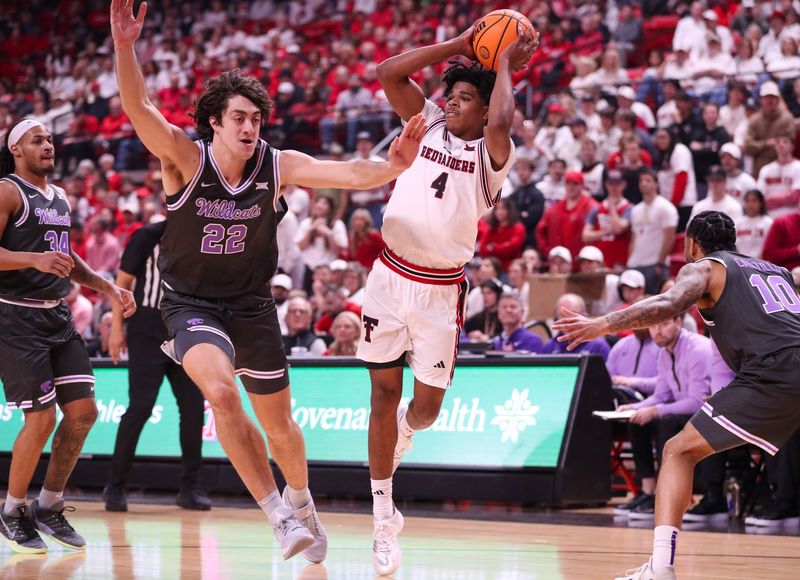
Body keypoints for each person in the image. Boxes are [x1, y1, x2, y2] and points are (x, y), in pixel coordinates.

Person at [111, 0, 425, 563]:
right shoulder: (184, 157)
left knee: (280, 428)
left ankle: (302, 503)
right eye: (238, 117)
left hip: (253, 307)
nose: (249, 126)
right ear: (215, 121)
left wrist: (394, 167)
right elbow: (139, 107)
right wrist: (125, 46)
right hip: (190, 305)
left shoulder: (276, 166)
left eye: (256, 118)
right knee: (221, 393)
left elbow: (349, 173)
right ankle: (278, 515)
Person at [356, 23, 536, 576]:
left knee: (426, 411)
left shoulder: (491, 157)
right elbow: (389, 71)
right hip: (388, 276)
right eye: (450, 96)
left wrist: (502, 61)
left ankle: (408, 435)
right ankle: (383, 518)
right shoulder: (428, 122)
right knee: (382, 395)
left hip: (438, 291)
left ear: (483, 112)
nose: (452, 104)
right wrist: (462, 47)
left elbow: (504, 119)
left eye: (464, 99)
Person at [552, 210, 800, 579]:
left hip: (773, 370)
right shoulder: (775, 270)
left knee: (677, 451)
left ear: (691, 243)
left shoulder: (705, 267)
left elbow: (668, 305)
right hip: (787, 361)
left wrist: (602, 324)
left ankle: (661, 568)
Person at [0, 118, 136, 553]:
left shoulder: (58, 197)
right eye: (36, 140)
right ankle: (12, 510)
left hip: (57, 316)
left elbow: (67, 259)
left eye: (50, 139)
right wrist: (32, 260)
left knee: (83, 413)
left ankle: (50, 504)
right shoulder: (7, 190)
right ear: (16, 149)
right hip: (15, 318)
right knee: (40, 419)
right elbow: (29, 257)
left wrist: (109, 287)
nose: (47, 145)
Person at [104, 219, 209, 513]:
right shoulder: (148, 235)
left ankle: (190, 487)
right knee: (141, 406)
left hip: (184, 327)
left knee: (192, 407)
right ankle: (115, 485)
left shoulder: (203, 234)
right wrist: (116, 329)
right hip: (146, 328)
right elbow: (121, 283)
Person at [614, 315, 712, 521]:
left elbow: (697, 402)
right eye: (653, 326)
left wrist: (655, 410)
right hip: (680, 413)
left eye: (664, 324)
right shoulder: (665, 353)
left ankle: (664, 493)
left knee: (663, 420)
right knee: (638, 420)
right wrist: (633, 408)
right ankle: (647, 491)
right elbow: (661, 395)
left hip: (707, 415)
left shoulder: (697, 349)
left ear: (678, 323)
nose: (657, 331)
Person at [542, 293, 610, 360]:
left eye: (572, 314)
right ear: (556, 318)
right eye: (562, 315)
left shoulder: (599, 346)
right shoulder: (549, 346)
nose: (567, 320)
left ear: (583, 317)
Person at [735, 190, 773, 259]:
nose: (750, 205)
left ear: (761, 203)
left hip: (761, 264)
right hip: (739, 263)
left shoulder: (768, 222)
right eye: (747, 201)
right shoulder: (738, 223)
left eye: (754, 201)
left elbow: (769, 247)